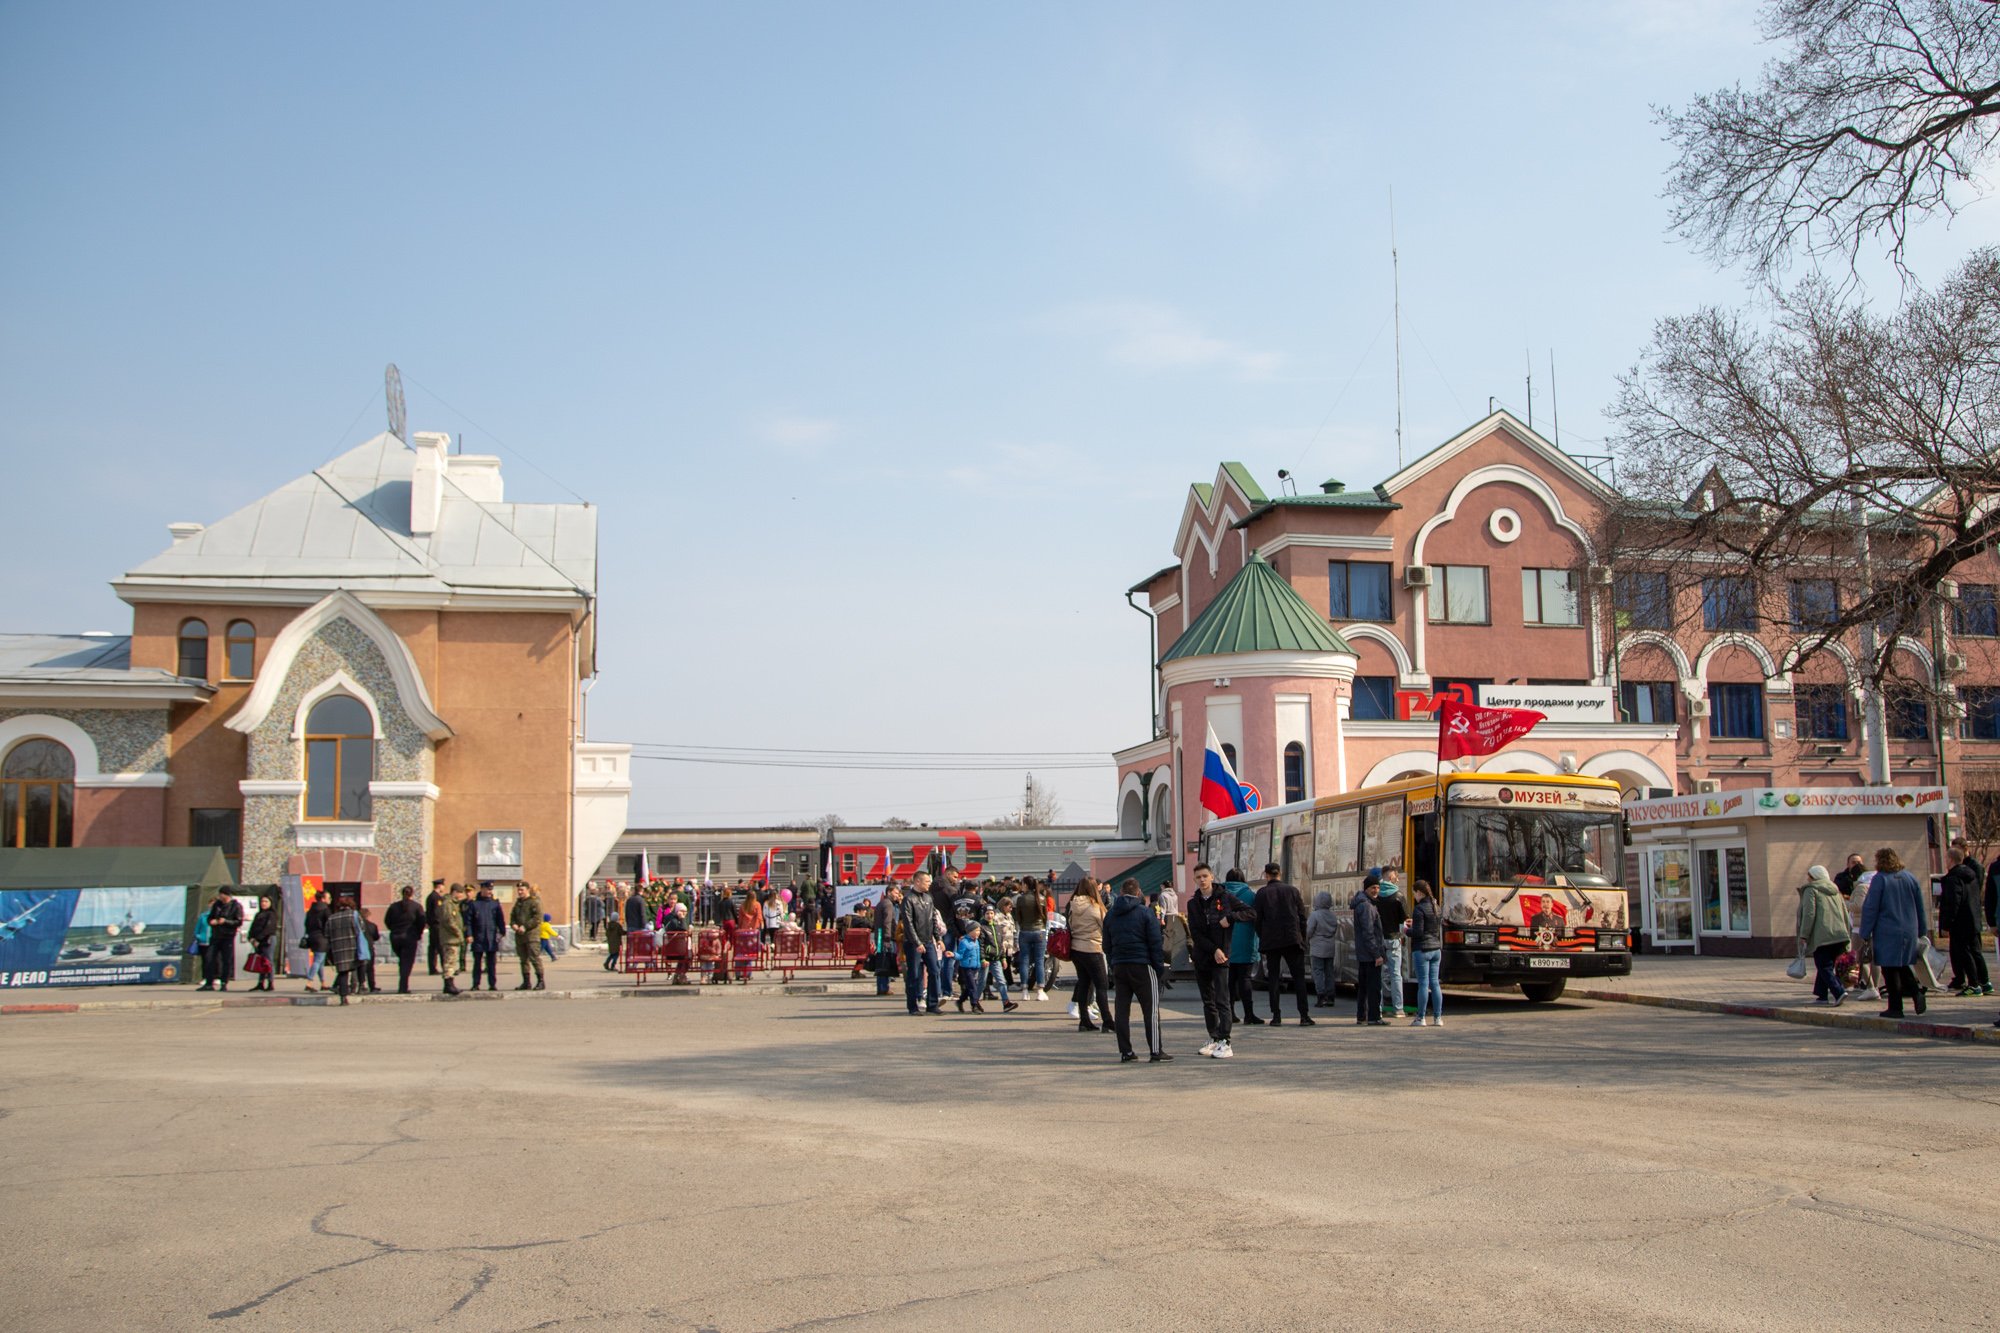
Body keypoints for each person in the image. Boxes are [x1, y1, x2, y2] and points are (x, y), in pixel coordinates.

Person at [1104, 877, 1171, 1063]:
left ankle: (1126, 1052)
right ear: (1138, 892)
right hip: (1143, 965)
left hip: (1120, 966)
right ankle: (1156, 1051)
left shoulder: (1110, 914)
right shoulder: (1145, 913)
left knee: (1121, 1011)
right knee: (1150, 1010)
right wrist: (1158, 968)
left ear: (1121, 891)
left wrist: (1113, 962)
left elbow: (1106, 945)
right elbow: (1155, 943)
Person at [1859, 847, 1930, 1019]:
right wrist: (1922, 929)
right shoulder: (1910, 877)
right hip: (1909, 929)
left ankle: (1896, 1007)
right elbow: (1920, 905)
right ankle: (1916, 992)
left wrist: (1865, 931)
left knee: (1890, 970)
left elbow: (1871, 907)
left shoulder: (1880, 880)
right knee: (1903, 964)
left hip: (1887, 930)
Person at [1186, 864, 1238, 1059]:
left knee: (1222, 999)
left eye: (1205, 876)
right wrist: (1213, 949)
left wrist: (1230, 918)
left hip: (1221, 956)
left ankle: (1226, 1040)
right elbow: (1196, 933)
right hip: (1203, 956)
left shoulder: (1224, 897)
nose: (1202, 880)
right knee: (1208, 1001)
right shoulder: (1193, 904)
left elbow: (1250, 912)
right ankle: (1214, 1037)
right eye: (1198, 877)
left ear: (1211, 876)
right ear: (1194, 879)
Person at [1252, 862, 1313, 1026]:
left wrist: (1262, 936)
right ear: (1280, 873)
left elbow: (1257, 920)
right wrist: (1302, 938)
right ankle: (1304, 1016)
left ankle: (1276, 1016)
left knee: (1273, 978)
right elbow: (1302, 916)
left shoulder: (1262, 893)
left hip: (1271, 941)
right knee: (1299, 978)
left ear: (1266, 875)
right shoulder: (1292, 891)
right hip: (1292, 939)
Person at [1938, 839, 1992, 997]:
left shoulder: (1954, 878)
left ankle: (1974, 984)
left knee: (1965, 953)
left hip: (1960, 922)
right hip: (1973, 918)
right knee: (1976, 951)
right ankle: (1985, 982)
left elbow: (1953, 902)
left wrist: (1947, 924)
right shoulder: (1971, 875)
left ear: (1950, 859)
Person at [1794, 864, 1852, 1007]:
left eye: (1809, 876)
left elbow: (1809, 914)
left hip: (1822, 936)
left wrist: (1804, 935)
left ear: (1813, 877)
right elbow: (1845, 912)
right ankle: (1821, 995)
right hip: (1839, 935)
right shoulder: (1835, 890)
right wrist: (1847, 934)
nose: (1807, 879)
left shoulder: (1811, 890)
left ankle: (1838, 992)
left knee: (1823, 965)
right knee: (1827, 964)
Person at [1064, 878, 1111, 1033]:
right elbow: (1106, 926)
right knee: (1102, 986)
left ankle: (1084, 1020)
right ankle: (1108, 1021)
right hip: (1093, 948)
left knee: (1084, 983)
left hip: (1076, 949)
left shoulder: (1072, 905)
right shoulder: (1096, 907)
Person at [1834, 853, 1881, 1000]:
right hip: (1873, 925)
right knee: (1873, 958)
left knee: (1859, 957)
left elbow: (1858, 906)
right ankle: (1873, 986)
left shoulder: (1861, 887)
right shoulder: (1875, 883)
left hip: (1860, 926)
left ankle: (1870, 986)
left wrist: (1845, 903)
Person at [899, 874, 942, 1015]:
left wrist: (938, 938)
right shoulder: (908, 899)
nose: (929, 883)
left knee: (935, 971)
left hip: (929, 941)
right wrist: (916, 942)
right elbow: (908, 923)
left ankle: (932, 1004)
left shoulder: (929, 898)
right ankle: (913, 1006)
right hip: (913, 943)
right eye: (927, 881)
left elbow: (933, 919)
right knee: (914, 974)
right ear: (918, 881)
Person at [1224, 869, 1262, 1024]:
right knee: (1245, 979)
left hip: (1226, 944)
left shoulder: (1221, 895)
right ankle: (1249, 1014)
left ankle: (1230, 1013)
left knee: (1229, 981)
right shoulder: (1251, 896)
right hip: (1246, 942)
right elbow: (1256, 918)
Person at [1351, 876, 1387, 1025]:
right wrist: (1377, 954)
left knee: (1364, 987)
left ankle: (1362, 1016)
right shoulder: (1366, 906)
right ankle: (1374, 1017)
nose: (1376, 890)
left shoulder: (1364, 903)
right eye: (1373, 888)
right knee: (1373, 987)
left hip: (1364, 954)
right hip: (1370, 954)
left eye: (1378, 887)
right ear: (1366, 888)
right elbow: (1369, 932)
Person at [1373, 868, 1408, 1018]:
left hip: (1379, 939)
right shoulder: (1399, 896)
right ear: (1390, 876)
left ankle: (1379, 1008)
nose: (1397, 879)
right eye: (1396, 876)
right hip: (1394, 938)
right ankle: (1398, 1009)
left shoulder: (1376, 896)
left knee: (1379, 974)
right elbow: (1404, 919)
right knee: (1395, 974)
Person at [1409, 880, 1445, 1026]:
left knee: (1423, 984)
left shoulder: (1419, 909)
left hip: (1422, 949)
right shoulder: (1436, 907)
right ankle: (1438, 1018)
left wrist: (1406, 930)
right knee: (1435, 983)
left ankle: (1421, 1017)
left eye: (1414, 893)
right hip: (1436, 949)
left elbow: (1418, 932)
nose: (1414, 896)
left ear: (1419, 892)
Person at [199, 887, 243, 992]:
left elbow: (238, 922)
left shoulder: (235, 906)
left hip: (228, 936)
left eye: (221, 894)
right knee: (209, 958)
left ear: (226, 895)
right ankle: (209, 983)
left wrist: (226, 921)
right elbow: (210, 917)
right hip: (215, 936)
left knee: (226, 960)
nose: (220, 897)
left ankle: (224, 983)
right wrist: (212, 921)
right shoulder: (217, 905)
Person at [384, 885, 426, 994]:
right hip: (409, 937)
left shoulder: (393, 907)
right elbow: (421, 921)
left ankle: (403, 983)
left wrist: (393, 929)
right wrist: (418, 933)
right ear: (412, 894)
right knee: (407, 962)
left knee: (403, 961)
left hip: (395, 937)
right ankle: (403, 987)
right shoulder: (417, 907)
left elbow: (387, 921)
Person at [1013, 877, 1050, 1001]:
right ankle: (1040, 990)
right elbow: (1045, 917)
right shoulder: (1041, 898)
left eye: (1022, 884)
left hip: (1025, 931)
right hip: (1039, 930)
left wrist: (1023, 925)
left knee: (1024, 960)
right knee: (1039, 961)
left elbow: (1018, 917)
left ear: (1026, 885)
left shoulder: (1021, 899)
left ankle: (1024, 990)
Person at [467, 882, 506, 992]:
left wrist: (502, 932)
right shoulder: (474, 904)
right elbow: (468, 921)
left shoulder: (495, 904)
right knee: (477, 963)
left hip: (491, 937)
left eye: (491, 890)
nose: (490, 892)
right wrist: (469, 934)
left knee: (491, 963)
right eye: (488, 889)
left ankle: (492, 984)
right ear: (482, 889)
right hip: (478, 937)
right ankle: (475, 984)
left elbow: (500, 920)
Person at [325, 896, 364, 1005]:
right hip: (352, 947)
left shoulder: (332, 918)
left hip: (338, 949)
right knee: (355, 968)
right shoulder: (354, 915)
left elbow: (326, 934)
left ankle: (343, 997)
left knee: (343, 972)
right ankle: (358, 987)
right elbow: (362, 929)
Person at [980, 905, 1018, 1012]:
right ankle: (975, 1002)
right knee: (982, 982)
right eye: (987, 913)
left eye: (991, 913)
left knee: (1002, 981)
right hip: (986, 959)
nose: (990, 915)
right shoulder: (982, 927)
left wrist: (1003, 958)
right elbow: (981, 945)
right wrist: (982, 959)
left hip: (996, 959)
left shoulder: (997, 927)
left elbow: (1000, 944)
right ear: (984, 915)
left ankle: (1006, 1003)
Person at [1306, 889, 1340, 1008]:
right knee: (1329, 972)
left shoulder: (1315, 915)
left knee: (1318, 971)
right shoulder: (1332, 915)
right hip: (1330, 947)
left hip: (1317, 947)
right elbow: (1335, 929)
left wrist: (1307, 939)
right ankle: (1331, 997)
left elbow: (1309, 930)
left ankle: (1321, 996)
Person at [511, 884, 546, 991]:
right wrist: (513, 924)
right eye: (518, 890)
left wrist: (525, 926)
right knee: (523, 959)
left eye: (522, 890)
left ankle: (540, 981)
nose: (520, 892)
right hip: (520, 936)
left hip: (531, 935)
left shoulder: (534, 902)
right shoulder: (518, 903)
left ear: (527, 890)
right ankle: (526, 982)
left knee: (534, 958)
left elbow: (537, 918)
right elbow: (513, 917)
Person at [872, 885, 903, 997]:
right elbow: (888, 922)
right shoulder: (888, 904)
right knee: (886, 961)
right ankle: (884, 987)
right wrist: (888, 937)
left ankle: (882, 987)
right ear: (889, 892)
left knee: (882, 961)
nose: (897, 895)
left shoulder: (883, 903)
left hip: (880, 935)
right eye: (895, 893)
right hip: (886, 937)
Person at [434, 885, 465, 996]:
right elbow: (449, 921)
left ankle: (450, 984)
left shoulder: (453, 904)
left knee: (452, 962)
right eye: (460, 892)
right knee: (449, 962)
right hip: (450, 938)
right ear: (455, 892)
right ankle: (448, 985)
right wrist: (458, 932)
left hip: (453, 938)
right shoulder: (448, 904)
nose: (462, 895)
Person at [246, 894, 278, 992]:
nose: (263, 903)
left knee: (268, 961)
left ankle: (270, 983)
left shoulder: (272, 914)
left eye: (266, 901)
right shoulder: (259, 914)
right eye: (262, 901)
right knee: (260, 962)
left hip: (268, 940)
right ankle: (260, 983)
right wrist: (251, 938)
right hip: (257, 941)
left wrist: (258, 939)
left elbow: (268, 929)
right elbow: (253, 928)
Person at [301, 891, 332, 992]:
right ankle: (309, 982)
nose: (330, 900)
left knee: (320, 962)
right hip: (322, 938)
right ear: (323, 899)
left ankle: (323, 983)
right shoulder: (325, 910)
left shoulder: (311, 910)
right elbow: (329, 924)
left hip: (312, 937)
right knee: (318, 961)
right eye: (328, 898)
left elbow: (306, 924)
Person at [953, 922, 985, 1013]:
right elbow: (960, 955)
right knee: (973, 987)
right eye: (976, 930)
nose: (978, 932)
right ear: (970, 931)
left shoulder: (976, 941)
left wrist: (981, 961)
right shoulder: (964, 942)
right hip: (967, 968)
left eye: (979, 930)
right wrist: (953, 955)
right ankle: (974, 1005)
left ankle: (960, 1001)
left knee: (969, 987)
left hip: (976, 967)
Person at [424, 878, 447, 975]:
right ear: (439, 886)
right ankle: (444, 968)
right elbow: (437, 913)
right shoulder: (436, 897)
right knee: (440, 947)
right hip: (437, 926)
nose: (444, 887)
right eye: (443, 885)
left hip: (432, 925)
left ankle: (432, 968)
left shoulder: (430, 896)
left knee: (432, 948)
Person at [358, 907, 381, 992]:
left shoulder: (358, 926)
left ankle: (361, 984)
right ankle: (372, 986)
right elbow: (376, 937)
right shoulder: (373, 925)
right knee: (370, 968)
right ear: (368, 916)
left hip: (359, 948)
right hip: (370, 948)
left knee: (361, 967)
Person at [603, 896, 626, 972]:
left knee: (612, 953)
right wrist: (627, 932)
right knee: (616, 955)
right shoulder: (617, 925)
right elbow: (621, 932)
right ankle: (613, 965)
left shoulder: (609, 925)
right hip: (617, 942)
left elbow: (607, 933)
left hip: (611, 942)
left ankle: (606, 963)